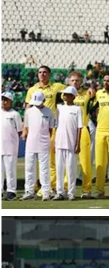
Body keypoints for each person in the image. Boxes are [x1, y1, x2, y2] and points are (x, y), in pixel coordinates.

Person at [25, 65, 67, 193]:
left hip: (51, 127)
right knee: (33, 160)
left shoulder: (56, 87)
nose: (42, 74)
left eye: (45, 72)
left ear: (49, 74)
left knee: (50, 159)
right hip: (35, 128)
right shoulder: (32, 89)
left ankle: (50, 186)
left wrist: (88, 89)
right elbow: (28, 108)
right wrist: (25, 128)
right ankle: (33, 187)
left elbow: (72, 88)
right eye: (40, 72)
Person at [22, 90, 55, 201]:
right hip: (30, 143)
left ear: (44, 100)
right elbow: (26, 127)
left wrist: (45, 139)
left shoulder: (49, 112)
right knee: (29, 167)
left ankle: (45, 192)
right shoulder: (28, 112)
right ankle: (29, 191)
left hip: (43, 143)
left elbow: (50, 129)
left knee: (44, 169)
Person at [67, 71, 95, 199]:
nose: (75, 83)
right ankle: (66, 188)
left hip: (83, 129)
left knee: (85, 161)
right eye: (72, 80)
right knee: (67, 161)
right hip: (68, 130)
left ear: (81, 82)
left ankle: (86, 189)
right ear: (69, 82)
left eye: (77, 80)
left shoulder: (87, 94)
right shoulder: (64, 94)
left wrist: (92, 90)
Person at [53, 86, 83, 201]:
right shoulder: (59, 108)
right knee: (59, 169)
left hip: (71, 143)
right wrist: (55, 143)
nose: (64, 96)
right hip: (60, 143)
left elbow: (79, 128)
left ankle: (71, 193)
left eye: (67, 94)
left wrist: (77, 143)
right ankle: (60, 192)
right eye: (64, 94)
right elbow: (56, 126)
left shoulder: (77, 109)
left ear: (73, 96)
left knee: (71, 169)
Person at [1, 91, 22, 201]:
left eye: (6, 100)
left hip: (10, 146)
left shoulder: (15, 114)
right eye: (2, 99)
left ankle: (11, 191)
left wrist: (13, 143)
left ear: (11, 101)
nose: (4, 102)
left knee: (10, 170)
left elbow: (19, 131)